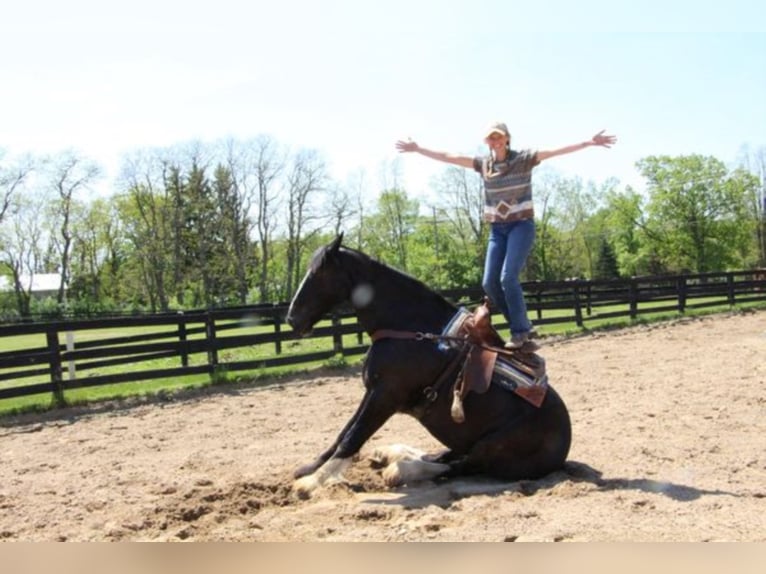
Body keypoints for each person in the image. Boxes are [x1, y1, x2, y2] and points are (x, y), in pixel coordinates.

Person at [395, 122, 617, 349]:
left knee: (507, 277)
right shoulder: (484, 165)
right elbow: (451, 156)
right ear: (487, 142)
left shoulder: (522, 160)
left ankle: (520, 332)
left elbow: (554, 151)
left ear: (507, 139)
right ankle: (522, 327)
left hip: (521, 226)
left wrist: (588, 143)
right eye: (491, 138)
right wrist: (419, 149)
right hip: (497, 230)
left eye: (499, 137)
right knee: (489, 282)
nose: (496, 141)